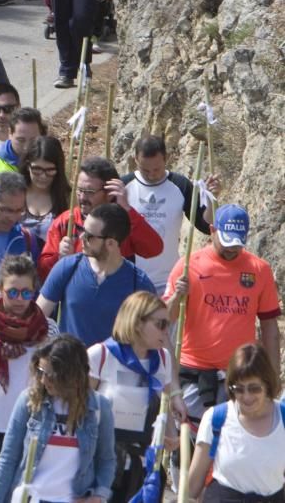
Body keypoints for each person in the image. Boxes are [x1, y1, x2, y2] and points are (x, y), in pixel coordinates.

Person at [165, 204, 282, 426]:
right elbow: (164, 320)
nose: (231, 249)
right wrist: (177, 297)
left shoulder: (260, 269)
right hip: (195, 373)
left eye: (237, 244)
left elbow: (269, 326)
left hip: (242, 372)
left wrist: (273, 376)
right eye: (226, 242)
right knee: (192, 444)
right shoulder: (189, 265)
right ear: (212, 230)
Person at [0, 334, 116, 503]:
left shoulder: (99, 407)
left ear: (72, 375)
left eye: (51, 375)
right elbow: (8, 458)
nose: (43, 380)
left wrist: (100, 495)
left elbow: (107, 460)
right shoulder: (29, 401)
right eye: (40, 372)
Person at [88, 291, 184, 499]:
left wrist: (171, 435)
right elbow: (80, 409)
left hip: (143, 463)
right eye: (160, 324)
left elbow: (164, 402)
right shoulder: (101, 354)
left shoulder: (163, 359)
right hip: (102, 461)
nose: (167, 331)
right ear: (138, 322)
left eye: (168, 324)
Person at [0, 256, 57, 478]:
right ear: (0, 289)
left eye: (26, 293)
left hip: (33, 428)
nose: (19, 299)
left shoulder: (48, 330)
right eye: (12, 292)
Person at [37, 203, 157, 345]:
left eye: (89, 236)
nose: (81, 237)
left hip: (113, 366)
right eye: (81, 229)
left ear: (111, 243)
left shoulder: (138, 284)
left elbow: (153, 337)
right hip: (68, 365)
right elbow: (37, 318)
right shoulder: (67, 267)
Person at [186, 343, 285, 502]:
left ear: (267, 385)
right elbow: (192, 487)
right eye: (238, 389)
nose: (246, 397)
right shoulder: (216, 418)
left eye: (254, 388)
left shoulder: (282, 418)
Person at [37, 156, 162, 279]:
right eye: (79, 190)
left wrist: (127, 210)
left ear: (109, 193)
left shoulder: (122, 222)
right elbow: (42, 271)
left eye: (89, 192)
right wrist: (59, 257)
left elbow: (153, 249)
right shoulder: (66, 221)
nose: (82, 198)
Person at [122, 135, 219, 292]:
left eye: (157, 169)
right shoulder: (124, 186)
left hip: (168, 280)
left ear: (166, 158)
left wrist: (210, 200)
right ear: (135, 160)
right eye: (145, 170)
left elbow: (206, 225)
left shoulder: (180, 185)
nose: (152, 175)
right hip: (130, 279)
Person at [20, 136, 70, 247]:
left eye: (50, 170)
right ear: (28, 165)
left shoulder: (67, 197)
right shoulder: (16, 193)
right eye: (37, 169)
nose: (43, 176)